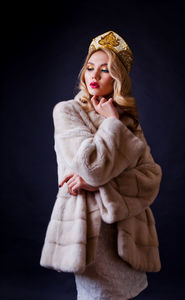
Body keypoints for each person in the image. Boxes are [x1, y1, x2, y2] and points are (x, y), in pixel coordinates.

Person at [40, 30, 162, 299]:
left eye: (104, 70)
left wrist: (98, 184)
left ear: (117, 78)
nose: (93, 76)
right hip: (90, 236)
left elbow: (151, 176)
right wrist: (111, 125)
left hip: (127, 237)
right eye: (90, 68)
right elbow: (89, 166)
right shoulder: (67, 111)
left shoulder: (128, 122)